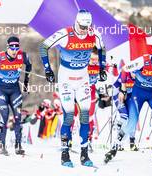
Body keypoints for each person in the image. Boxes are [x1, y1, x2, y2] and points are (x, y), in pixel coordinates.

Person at [39, 9, 107, 167]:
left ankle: (84, 155)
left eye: (87, 27)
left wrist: (102, 68)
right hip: (66, 82)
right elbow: (43, 47)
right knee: (69, 117)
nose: (84, 30)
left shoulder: (94, 34)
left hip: (83, 80)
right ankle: (65, 154)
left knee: (85, 117)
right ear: (76, 23)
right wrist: (48, 69)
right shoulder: (65, 33)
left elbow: (102, 48)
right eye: (82, 27)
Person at [104, 43, 152, 163]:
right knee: (132, 123)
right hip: (139, 93)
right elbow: (125, 69)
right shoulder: (143, 61)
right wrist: (122, 89)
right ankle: (114, 149)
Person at [0, 36, 32, 156]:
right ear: (8, 47)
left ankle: (18, 145)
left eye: (17, 47)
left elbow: (29, 65)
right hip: (2, 91)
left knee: (17, 117)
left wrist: (26, 82)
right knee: (4, 117)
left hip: (15, 90)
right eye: (12, 47)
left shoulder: (23, 56)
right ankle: (2, 144)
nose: (15, 50)